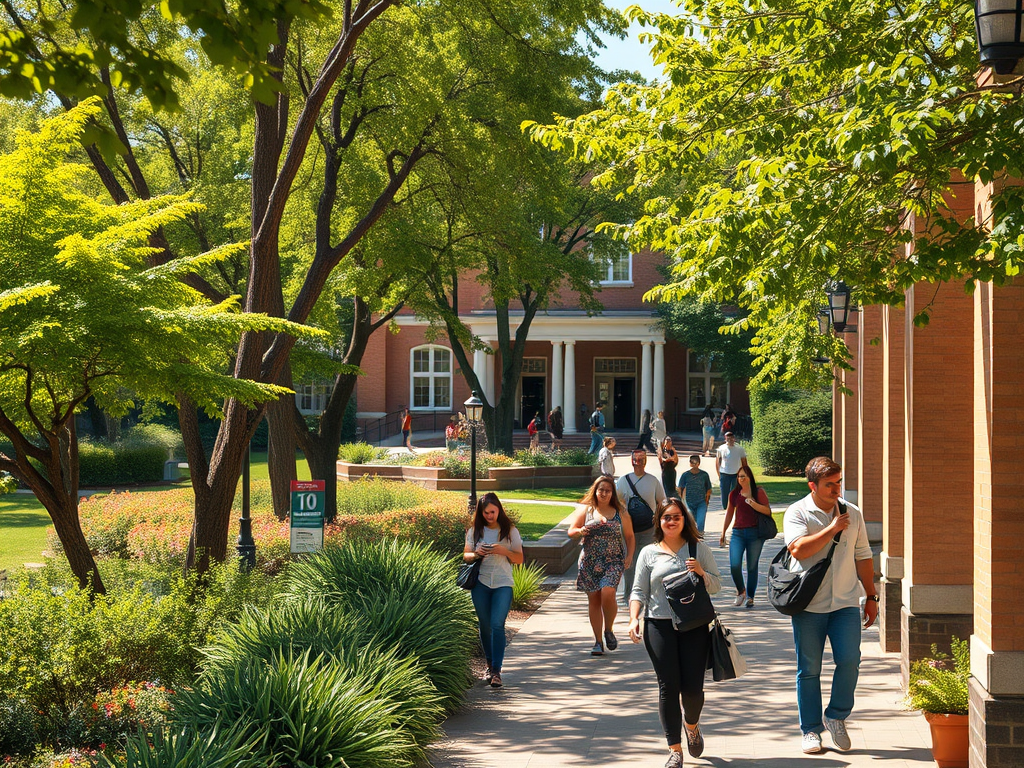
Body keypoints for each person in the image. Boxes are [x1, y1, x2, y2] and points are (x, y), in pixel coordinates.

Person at [783, 456, 877, 755]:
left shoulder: (853, 513)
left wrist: (871, 596)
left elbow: (863, 555)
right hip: (809, 606)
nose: (837, 489)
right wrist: (833, 529)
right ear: (813, 486)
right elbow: (798, 549)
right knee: (809, 669)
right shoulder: (798, 512)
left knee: (850, 661)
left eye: (839, 483)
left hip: (845, 603)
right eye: (829, 485)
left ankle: (836, 715)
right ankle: (811, 730)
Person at [628, 498, 722, 767]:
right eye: (666, 517)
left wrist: (701, 572)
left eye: (676, 517)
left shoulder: (698, 548)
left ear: (684, 520)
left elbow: (716, 586)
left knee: (692, 689)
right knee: (668, 687)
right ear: (658, 521)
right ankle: (675, 750)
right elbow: (638, 591)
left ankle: (691, 725)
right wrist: (633, 618)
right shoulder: (648, 553)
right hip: (658, 625)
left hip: (693, 626)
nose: (671, 521)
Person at [568, 476, 635, 656]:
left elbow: (629, 536)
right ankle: (598, 641)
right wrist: (580, 530)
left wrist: (629, 556)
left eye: (608, 490)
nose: (604, 493)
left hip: (613, 560)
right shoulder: (587, 510)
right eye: (601, 490)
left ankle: (609, 629)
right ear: (595, 491)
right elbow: (571, 531)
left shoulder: (620, 512)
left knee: (608, 592)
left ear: (612, 493)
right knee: (594, 600)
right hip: (589, 561)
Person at [463, 492, 524, 688]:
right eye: (486, 513)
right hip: (480, 583)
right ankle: (489, 665)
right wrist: (476, 553)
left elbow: (519, 558)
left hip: (503, 583)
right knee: (485, 625)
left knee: (497, 624)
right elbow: (466, 555)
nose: (489, 516)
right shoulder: (475, 531)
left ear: (499, 510)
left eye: (492, 512)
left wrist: (503, 551)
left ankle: (497, 670)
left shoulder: (510, 531)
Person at [616, 448, 666, 604]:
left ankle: (646, 594)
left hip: (648, 528)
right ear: (631, 461)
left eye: (641, 459)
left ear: (645, 461)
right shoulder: (623, 481)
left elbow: (661, 502)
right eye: (636, 459)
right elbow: (617, 503)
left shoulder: (653, 481)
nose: (638, 462)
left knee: (647, 561)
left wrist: (658, 519)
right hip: (628, 529)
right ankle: (628, 595)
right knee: (629, 562)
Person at [719, 464, 772, 607]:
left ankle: (750, 596)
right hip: (738, 533)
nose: (740, 479)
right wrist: (723, 532)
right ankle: (741, 591)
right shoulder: (734, 494)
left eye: (743, 476)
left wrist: (753, 504)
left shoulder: (758, 492)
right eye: (738, 477)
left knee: (752, 567)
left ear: (749, 477)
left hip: (755, 533)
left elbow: (768, 511)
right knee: (735, 565)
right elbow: (729, 513)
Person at [678, 454, 713, 533]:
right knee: (690, 524)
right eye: (692, 462)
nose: (694, 464)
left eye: (696, 462)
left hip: (701, 502)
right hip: (689, 503)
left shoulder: (704, 475)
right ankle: (691, 538)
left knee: (700, 523)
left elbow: (708, 489)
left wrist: (707, 500)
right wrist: (682, 500)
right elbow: (680, 488)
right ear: (690, 463)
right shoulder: (685, 475)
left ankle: (700, 537)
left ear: (699, 463)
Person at [715, 431, 748, 509]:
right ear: (725, 439)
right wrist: (719, 474)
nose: (730, 440)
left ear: (734, 438)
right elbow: (717, 462)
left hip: (736, 474)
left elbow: (744, 462)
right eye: (728, 438)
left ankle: (733, 507)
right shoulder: (721, 449)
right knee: (724, 491)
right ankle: (725, 507)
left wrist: (745, 473)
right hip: (724, 473)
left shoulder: (740, 449)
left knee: (735, 491)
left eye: (731, 438)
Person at [656, 436, 679, 500]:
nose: (668, 443)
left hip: (672, 470)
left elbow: (676, 460)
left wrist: (674, 455)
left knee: (672, 487)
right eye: (667, 441)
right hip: (665, 471)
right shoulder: (662, 451)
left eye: (669, 441)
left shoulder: (672, 451)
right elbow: (660, 459)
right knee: (665, 488)